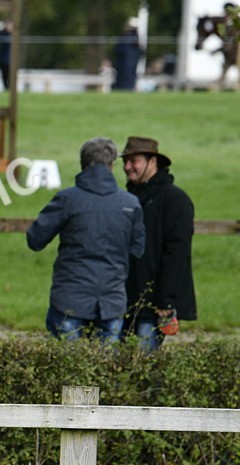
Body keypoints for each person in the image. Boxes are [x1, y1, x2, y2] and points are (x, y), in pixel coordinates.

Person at [26, 137, 145, 343]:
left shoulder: (68, 199)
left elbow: (35, 239)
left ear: (83, 163)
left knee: (67, 369)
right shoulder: (130, 203)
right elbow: (138, 249)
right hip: (112, 299)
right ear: (112, 165)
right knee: (107, 370)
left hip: (69, 298)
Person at [120, 136, 196, 353]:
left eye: (134, 161)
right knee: (117, 368)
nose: (127, 167)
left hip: (155, 306)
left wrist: (165, 301)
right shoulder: (125, 199)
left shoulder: (175, 200)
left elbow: (177, 253)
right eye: (125, 161)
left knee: (143, 367)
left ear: (152, 161)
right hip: (124, 301)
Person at [113, 18, 142, 92]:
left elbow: (118, 50)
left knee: (123, 82)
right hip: (131, 65)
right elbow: (141, 53)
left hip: (123, 64)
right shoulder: (136, 39)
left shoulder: (125, 38)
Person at [0, 20, 13, 91]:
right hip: (3, 59)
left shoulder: (13, 35)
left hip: (10, 59)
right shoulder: (2, 34)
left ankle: (9, 87)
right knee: (4, 75)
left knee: (10, 74)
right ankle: (6, 88)